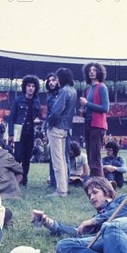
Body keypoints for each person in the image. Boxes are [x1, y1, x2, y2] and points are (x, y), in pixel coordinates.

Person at [46, 68, 77, 197]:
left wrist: (49, 124)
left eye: (57, 78)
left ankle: (61, 190)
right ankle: (63, 188)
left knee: (57, 160)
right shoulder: (73, 90)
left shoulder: (64, 91)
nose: (56, 81)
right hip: (65, 128)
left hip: (57, 127)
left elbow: (56, 111)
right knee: (63, 160)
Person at [8, 75, 42, 187]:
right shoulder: (18, 100)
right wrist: (11, 134)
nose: (31, 88)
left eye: (33, 86)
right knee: (18, 156)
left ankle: (24, 180)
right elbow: (11, 118)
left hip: (30, 132)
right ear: (25, 87)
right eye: (28, 86)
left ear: (35, 88)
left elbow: (39, 116)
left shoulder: (37, 102)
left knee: (27, 157)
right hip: (19, 132)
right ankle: (14, 178)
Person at [80, 62, 109, 177]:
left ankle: (99, 184)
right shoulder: (89, 89)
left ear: (99, 72)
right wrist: (84, 111)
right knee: (90, 156)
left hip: (97, 126)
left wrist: (87, 104)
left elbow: (105, 108)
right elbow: (91, 107)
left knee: (95, 157)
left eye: (94, 70)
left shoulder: (101, 87)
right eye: (90, 70)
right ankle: (95, 182)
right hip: (89, 124)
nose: (91, 72)